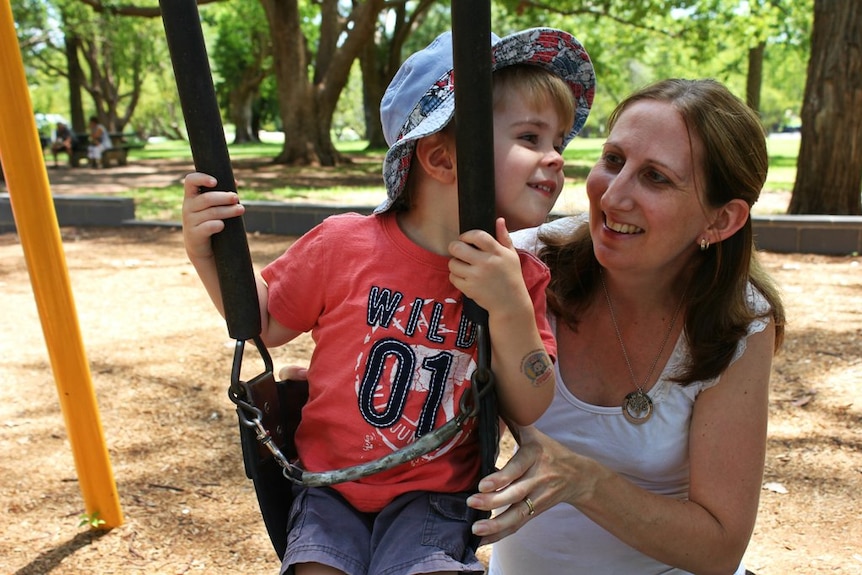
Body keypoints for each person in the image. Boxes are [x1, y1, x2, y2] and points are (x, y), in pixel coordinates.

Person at [182, 28, 595, 575]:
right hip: (328, 490)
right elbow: (263, 321)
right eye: (531, 137)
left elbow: (530, 403)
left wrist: (511, 310)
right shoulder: (342, 244)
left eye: (559, 142)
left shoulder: (520, 276)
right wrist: (210, 256)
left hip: (437, 498)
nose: (556, 159)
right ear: (443, 158)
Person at [465, 78, 786, 575]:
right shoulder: (523, 266)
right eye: (613, 160)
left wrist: (584, 480)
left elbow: (721, 546)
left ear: (721, 220)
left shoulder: (740, 321)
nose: (613, 197)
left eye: (655, 177)